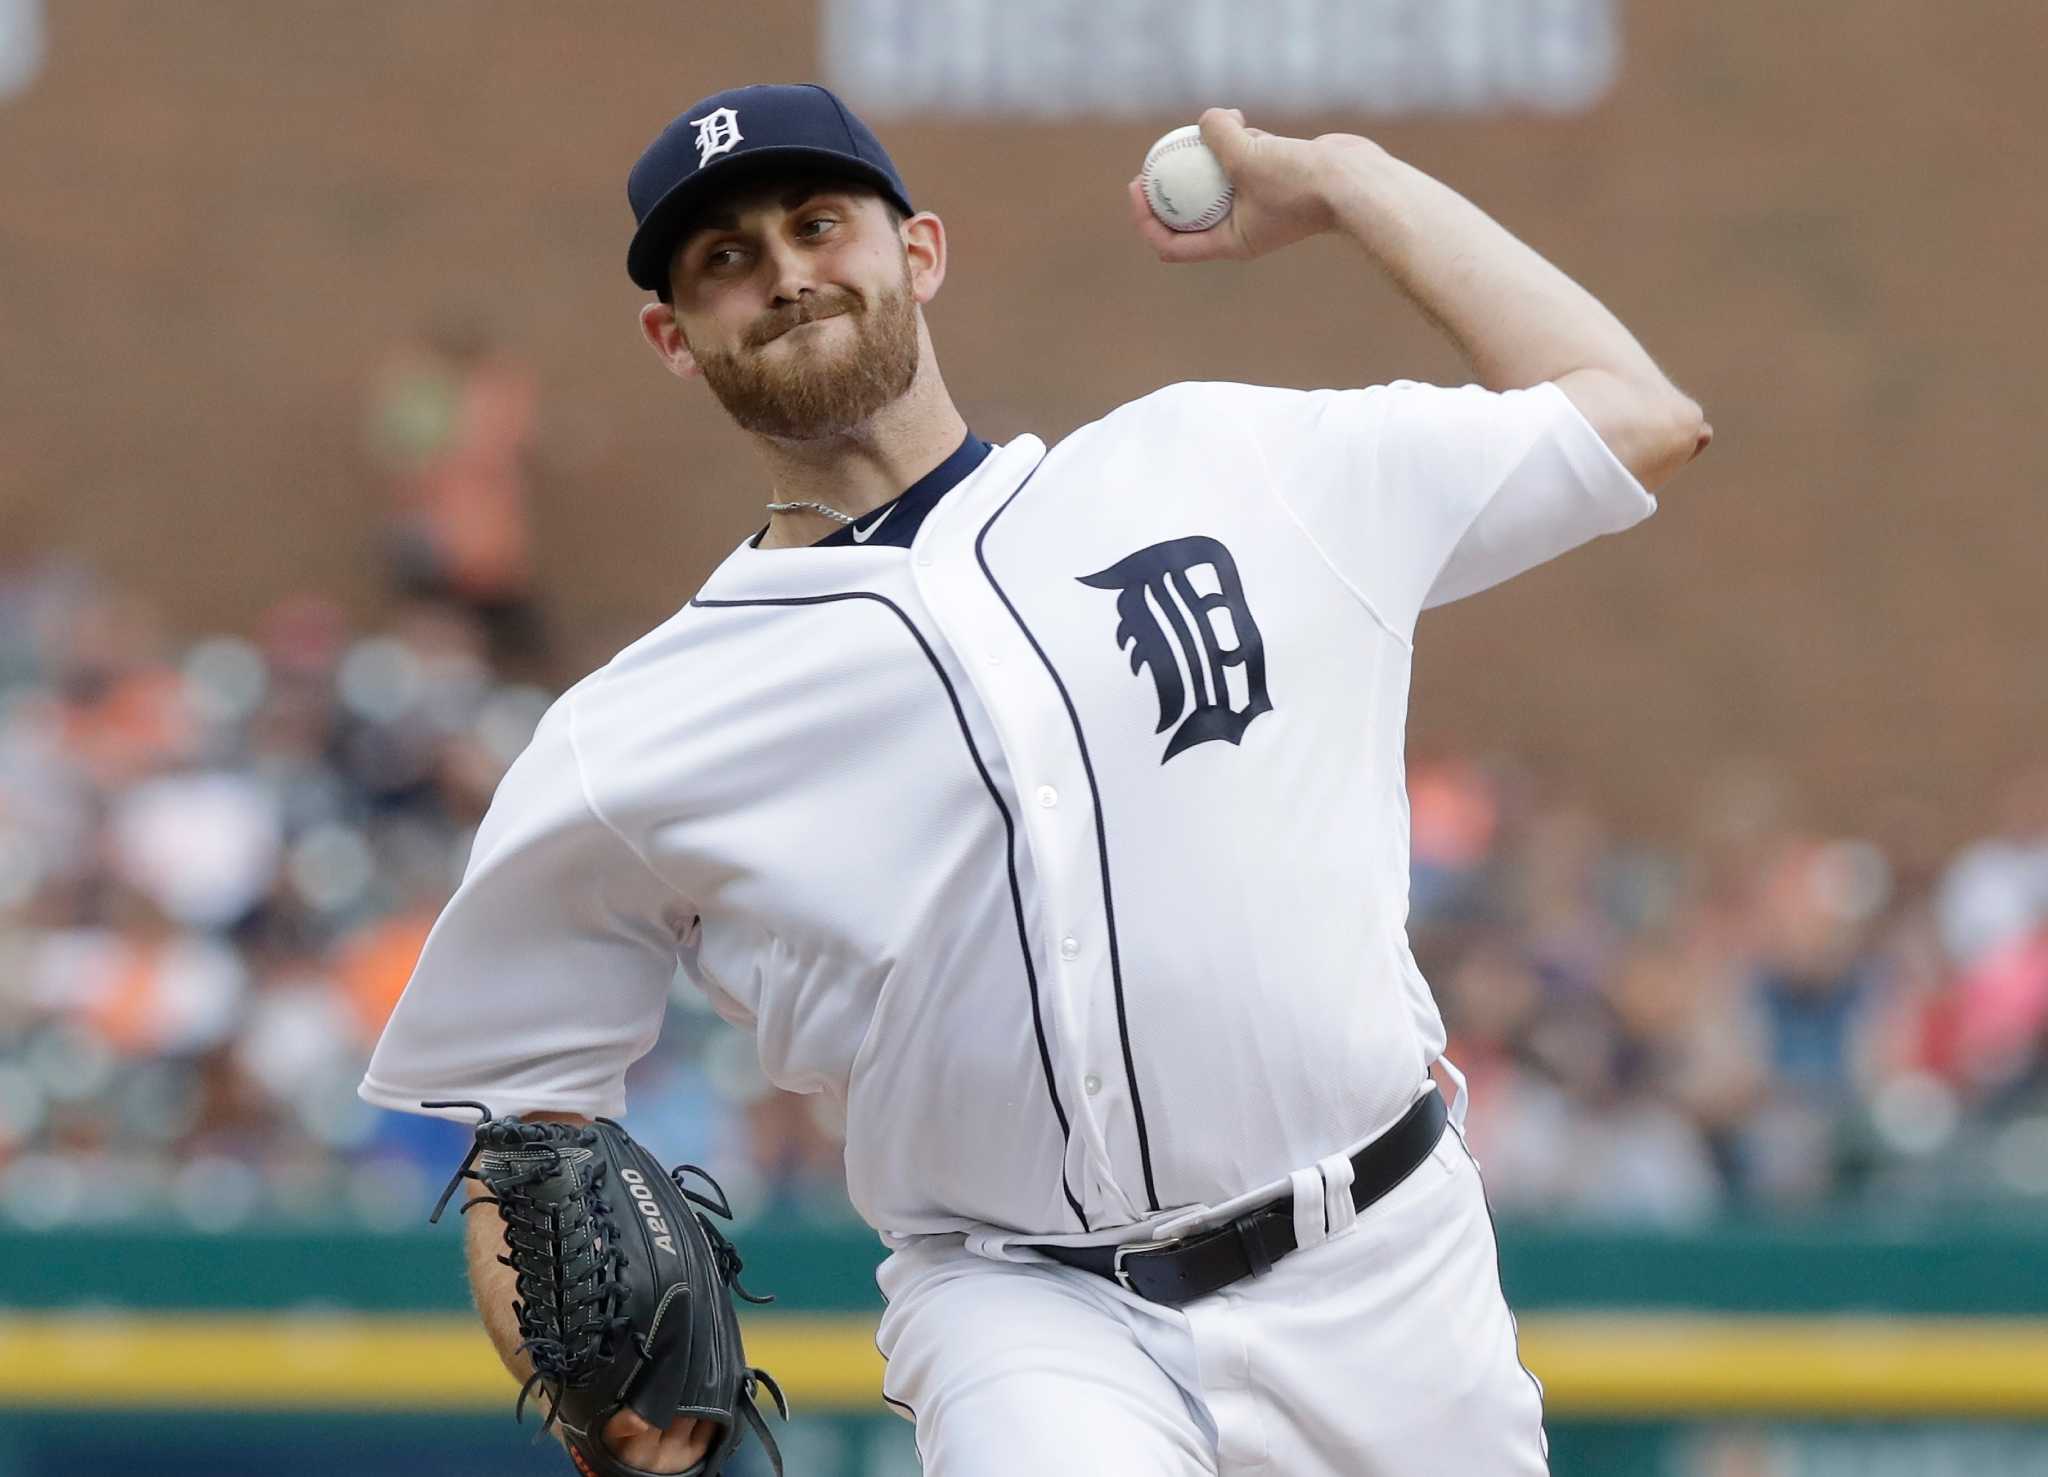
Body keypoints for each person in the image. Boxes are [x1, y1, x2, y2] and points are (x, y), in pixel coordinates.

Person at [359, 82, 1710, 1475]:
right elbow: (521, 1122)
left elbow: (1635, 413)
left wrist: (1352, 181)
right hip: (1024, 1305)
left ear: (921, 251)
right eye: (725, 259)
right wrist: (598, 1389)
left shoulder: (1228, 463)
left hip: (1382, 1261)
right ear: (675, 338)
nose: (785, 274)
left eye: (820, 223)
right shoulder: (635, 731)